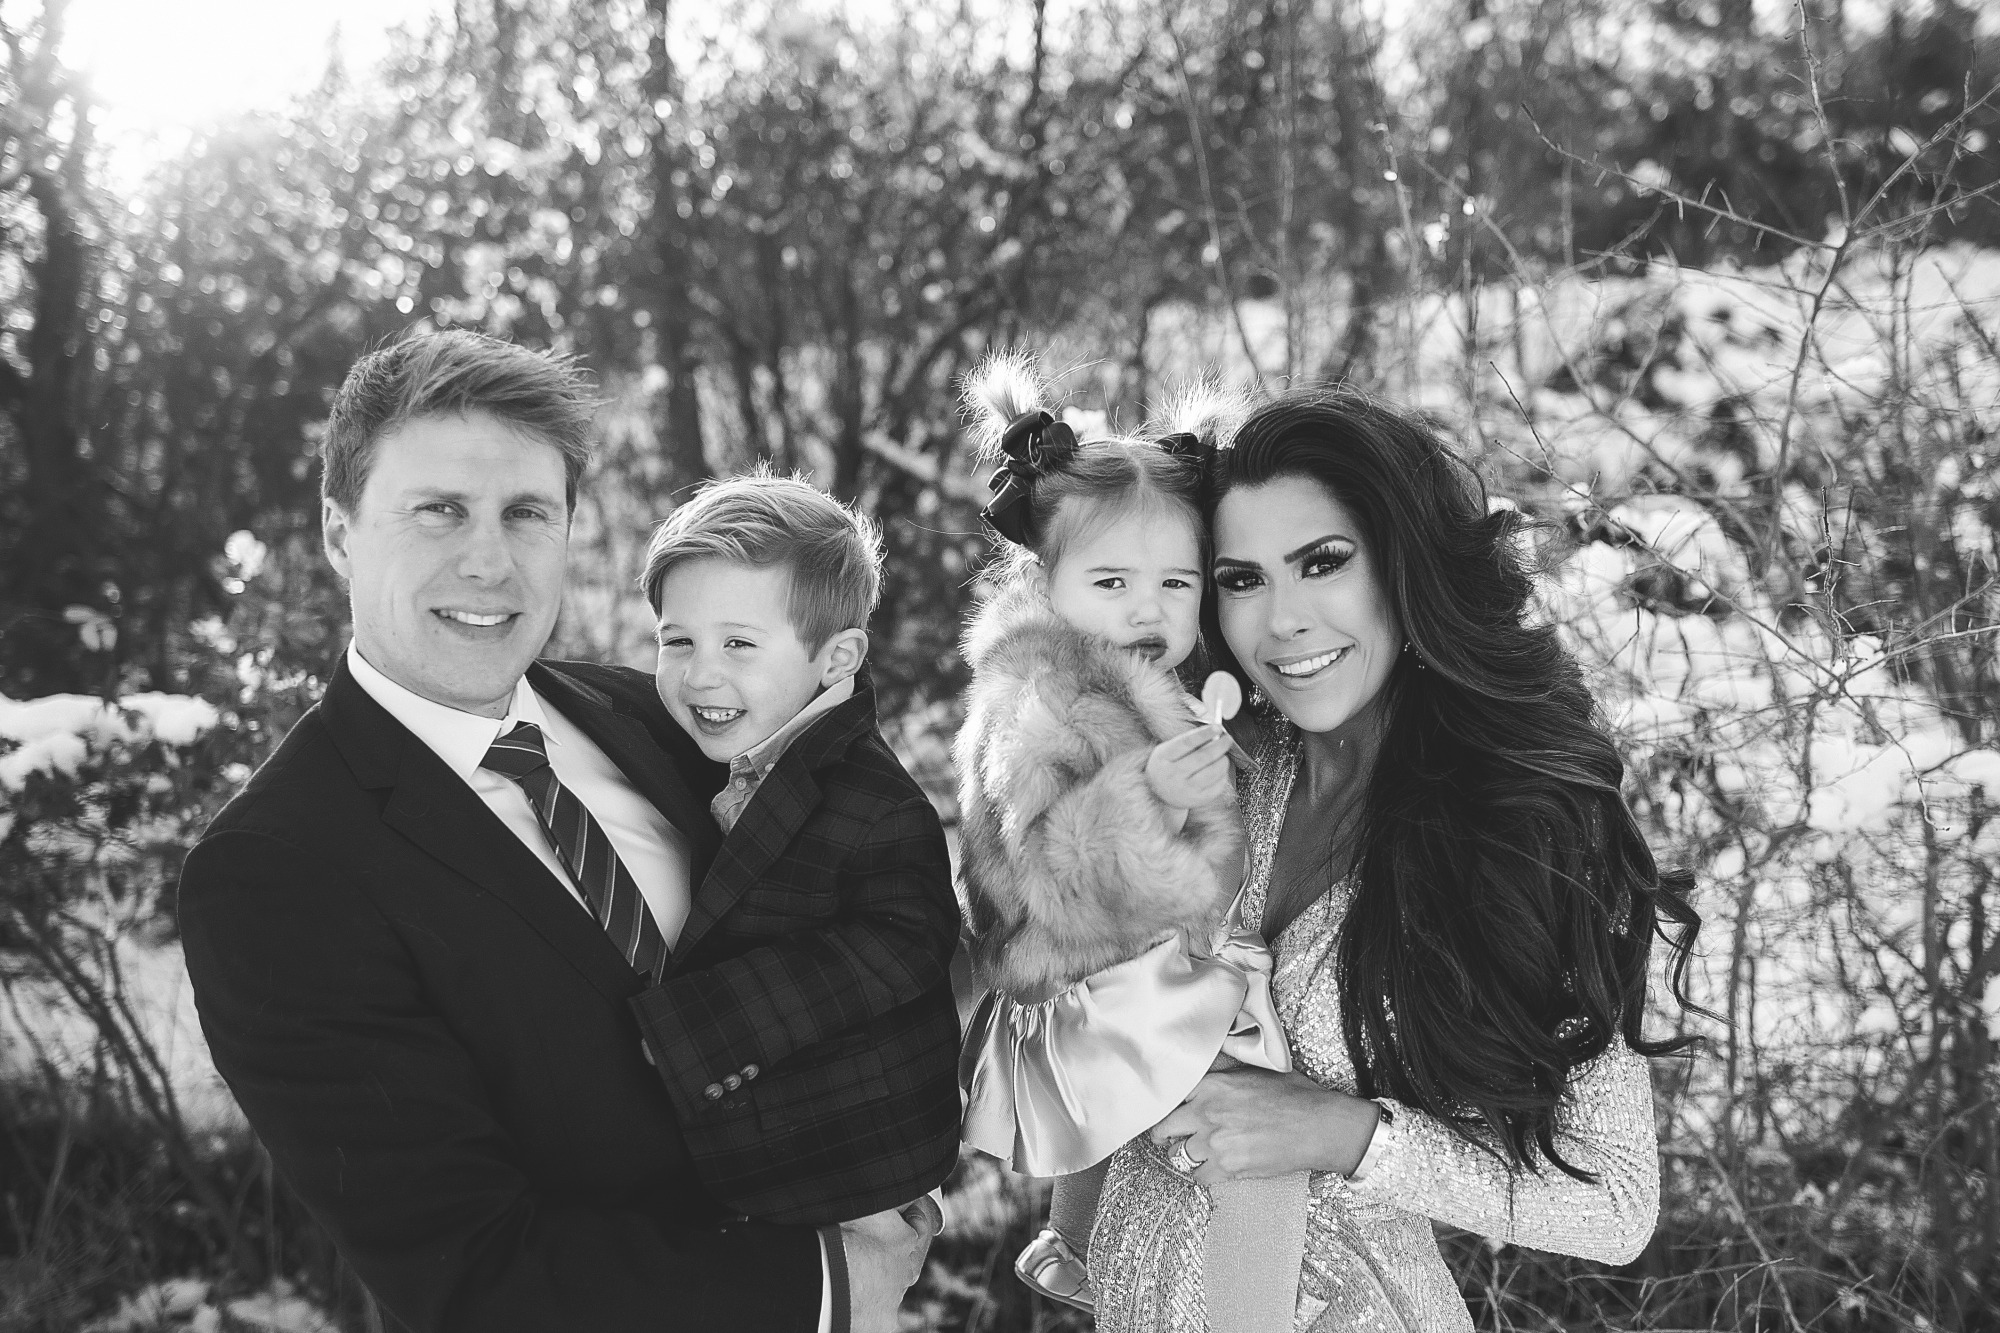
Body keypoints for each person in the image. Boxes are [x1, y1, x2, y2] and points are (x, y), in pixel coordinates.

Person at [179, 330, 940, 1333]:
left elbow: (859, 888)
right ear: (337, 533)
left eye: (526, 513)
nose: (488, 560)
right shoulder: (276, 870)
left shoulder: (654, 715)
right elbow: (473, 1274)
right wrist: (827, 1283)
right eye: (439, 510)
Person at [1086, 389, 1705, 1332]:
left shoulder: (1515, 824)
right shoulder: (1223, 768)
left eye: (1322, 563)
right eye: (1241, 579)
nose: (1281, 620)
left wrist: (1345, 1134)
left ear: (1403, 566)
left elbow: (1616, 1204)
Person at [953, 353, 1295, 1320]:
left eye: (1176, 581)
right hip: (1075, 977)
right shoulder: (1037, 696)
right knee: (1222, 1108)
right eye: (1112, 580)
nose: (1150, 608)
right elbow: (1040, 863)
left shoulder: (1144, 676)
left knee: (1174, 1114)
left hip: (1131, 965)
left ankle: (1098, 1244)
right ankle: (1125, 1259)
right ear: (1046, 580)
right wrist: (1145, 791)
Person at [634, 469, 961, 1224]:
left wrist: (710, 1024)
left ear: (837, 659)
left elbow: (905, 941)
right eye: (676, 640)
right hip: (758, 1159)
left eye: (739, 644)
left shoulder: (875, 803)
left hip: (846, 1169)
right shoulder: (730, 749)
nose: (699, 673)